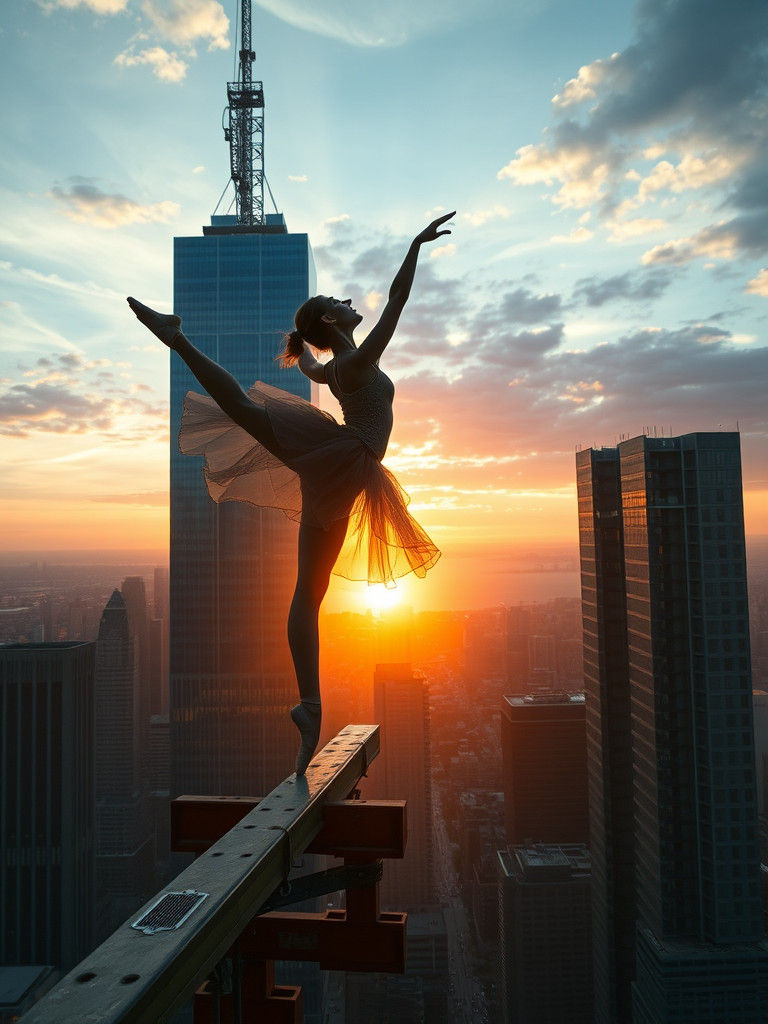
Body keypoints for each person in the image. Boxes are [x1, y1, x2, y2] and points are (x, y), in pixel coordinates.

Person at [127, 210, 453, 775]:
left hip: (339, 470)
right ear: (333, 318)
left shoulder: (339, 368)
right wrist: (413, 245)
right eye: (341, 299)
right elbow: (397, 303)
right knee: (249, 420)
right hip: (345, 463)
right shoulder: (353, 363)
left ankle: (310, 707)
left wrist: (301, 350)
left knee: (308, 592)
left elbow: (310, 365)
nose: (353, 300)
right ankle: (179, 339)